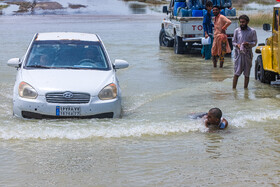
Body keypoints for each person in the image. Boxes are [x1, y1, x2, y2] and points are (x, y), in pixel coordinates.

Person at [232, 15, 257, 89]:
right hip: (238, 54)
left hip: (248, 54)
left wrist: (248, 44)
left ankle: (246, 90)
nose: (242, 23)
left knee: (247, 74)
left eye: (243, 22)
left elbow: (255, 42)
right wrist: (238, 45)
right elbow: (233, 42)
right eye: (241, 22)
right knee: (236, 73)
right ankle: (234, 90)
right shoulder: (237, 31)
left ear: (247, 22)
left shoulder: (252, 31)